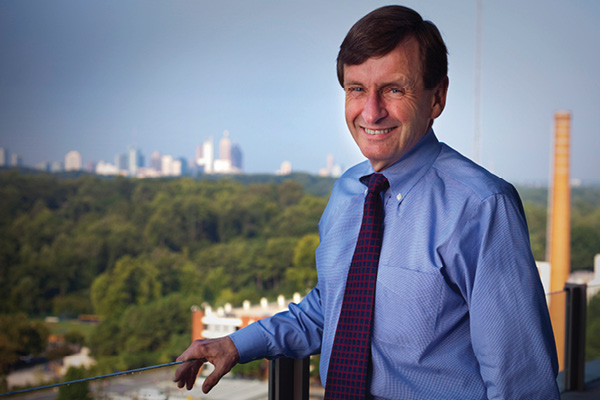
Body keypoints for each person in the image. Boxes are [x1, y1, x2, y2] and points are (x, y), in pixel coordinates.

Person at [174, 5, 560, 399]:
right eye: (357, 89)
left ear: (436, 98)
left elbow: (522, 382)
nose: (371, 111)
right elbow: (335, 309)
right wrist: (237, 344)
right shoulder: (347, 193)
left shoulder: (481, 206)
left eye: (394, 89)